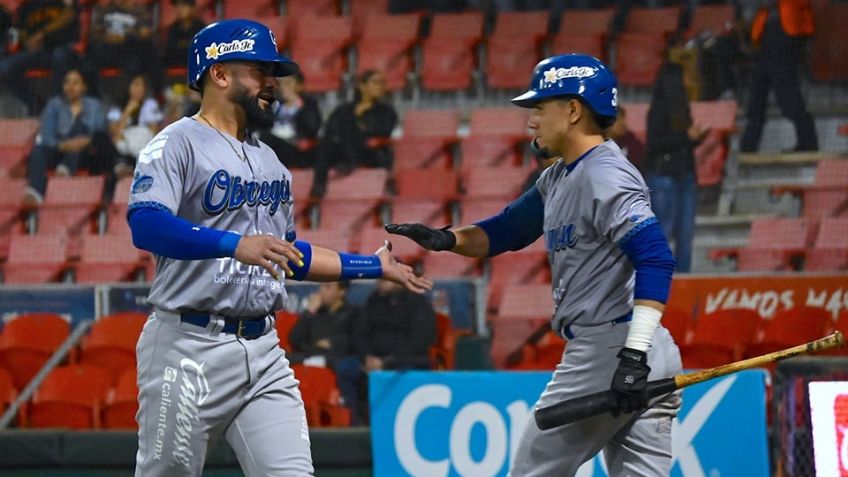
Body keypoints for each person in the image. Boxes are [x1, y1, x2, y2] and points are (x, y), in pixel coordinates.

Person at [126, 19, 431, 476]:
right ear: (220, 73)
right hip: (187, 346)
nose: (273, 83)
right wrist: (234, 244)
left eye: (274, 72)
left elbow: (286, 255)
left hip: (263, 349)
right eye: (260, 70)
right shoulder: (175, 143)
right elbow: (146, 224)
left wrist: (372, 265)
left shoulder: (270, 160)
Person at [387, 53, 682, 476]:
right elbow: (507, 230)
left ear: (574, 110)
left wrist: (633, 357)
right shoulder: (560, 175)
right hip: (641, 350)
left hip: (612, 350)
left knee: (531, 471)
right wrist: (446, 239)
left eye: (540, 108)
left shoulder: (604, 174)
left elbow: (656, 258)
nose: (531, 121)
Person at [335, 278, 437, 425]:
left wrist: (387, 361)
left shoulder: (417, 302)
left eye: (385, 279)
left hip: (405, 360)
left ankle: (401, 422)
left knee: (406, 371)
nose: (379, 283)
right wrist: (367, 357)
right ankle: (355, 422)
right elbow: (360, 333)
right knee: (345, 368)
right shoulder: (373, 301)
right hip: (372, 359)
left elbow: (419, 342)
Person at [644, 62, 707, 273]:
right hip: (664, 178)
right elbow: (655, 144)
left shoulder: (683, 109)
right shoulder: (658, 111)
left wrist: (694, 140)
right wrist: (686, 137)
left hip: (685, 176)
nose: (689, 81)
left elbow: (679, 143)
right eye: (685, 77)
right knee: (663, 231)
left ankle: (683, 281)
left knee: (686, 233)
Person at [739, 0, 817, 152]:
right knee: (758, 91)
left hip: (785, 31)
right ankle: (748, 146)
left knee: (786, 91)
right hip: (769, 32)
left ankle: (808, 143)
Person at [23, 68, 107, 206]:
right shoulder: (54, 104)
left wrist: (82, 142)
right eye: (67, 82)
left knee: (82, 136)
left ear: (84, 87)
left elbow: (98, 133)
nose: (70, 87)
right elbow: (47, 136)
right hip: (59, 149)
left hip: (84, 152)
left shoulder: (94, 105)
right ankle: (35, 191)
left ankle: (66, 168)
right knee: (38, 150)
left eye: (75, 83)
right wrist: (64, 145)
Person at [309, 69, 397, 197]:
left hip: (371, 152)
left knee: (349, 127)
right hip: (342, 150)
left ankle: (349, 160)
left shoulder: (386, 111)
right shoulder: (344, 109)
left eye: (383, 83)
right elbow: (330, 129)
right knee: (326, 144)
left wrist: (360, 118)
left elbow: (382, 131)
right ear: (362, 86)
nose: (381, 86)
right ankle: (319, 185)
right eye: (376, 82)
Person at [0, 0, 78, 113]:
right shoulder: (26, 7)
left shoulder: (62, 3)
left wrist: (43, 33)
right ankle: (35, 104)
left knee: (61, 56)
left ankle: (58, 105)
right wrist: (26, 41)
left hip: (61, 46)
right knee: (4, 68)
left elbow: (69, 17)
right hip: (37, 53)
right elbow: (19, 32)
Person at [85, 0, 155, 94]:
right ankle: (93, 97)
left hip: (128, 50)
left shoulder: (139, 11)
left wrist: (124, 37)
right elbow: (95, 33)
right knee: (88, 63)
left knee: (136, 61)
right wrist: (107, 37)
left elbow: (145, 34)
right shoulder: (105, 10)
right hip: (106, 48)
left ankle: (126, 99)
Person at [256, 71, 322, 169]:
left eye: (287, 83)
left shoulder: (308, 104)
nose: (283, 88)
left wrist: (298, 104)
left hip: (297, 150)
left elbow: (312, 128)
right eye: (280, 84)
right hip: (276, 145)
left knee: (265, 138)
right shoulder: (276, 104)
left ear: (299, 86)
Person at [287, 281, 355, 367]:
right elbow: (294, 340)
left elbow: (355, 341)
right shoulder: (315, 313)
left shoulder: (352, 314)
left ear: (341, 292)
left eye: (327, 287)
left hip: (335, 359)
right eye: (321, 286)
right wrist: (310, 311)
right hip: (310, 355)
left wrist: (332, 343)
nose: (321, 290)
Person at [107, 74, 163, 178]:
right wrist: (127, 111)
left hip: (144, 148)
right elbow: (116, 136)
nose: (140, 88)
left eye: (143, 85)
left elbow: (154, 132)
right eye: (136, 84)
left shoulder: (150, 104)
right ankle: (125, 168)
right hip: (124, 150)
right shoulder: (116, 108)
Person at [161, 0, 206, 70]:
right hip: (175, 71)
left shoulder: (201, 28)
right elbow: (170, 54)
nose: (179, 9)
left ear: (192, 8)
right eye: (177, 6)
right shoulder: (173, 29)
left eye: (183, 5)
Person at [606, 105, 646, 175]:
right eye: (617, 120)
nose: (622, 124)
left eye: (623, 119)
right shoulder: (598, 144)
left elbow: (640, 161)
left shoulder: (629, 140)